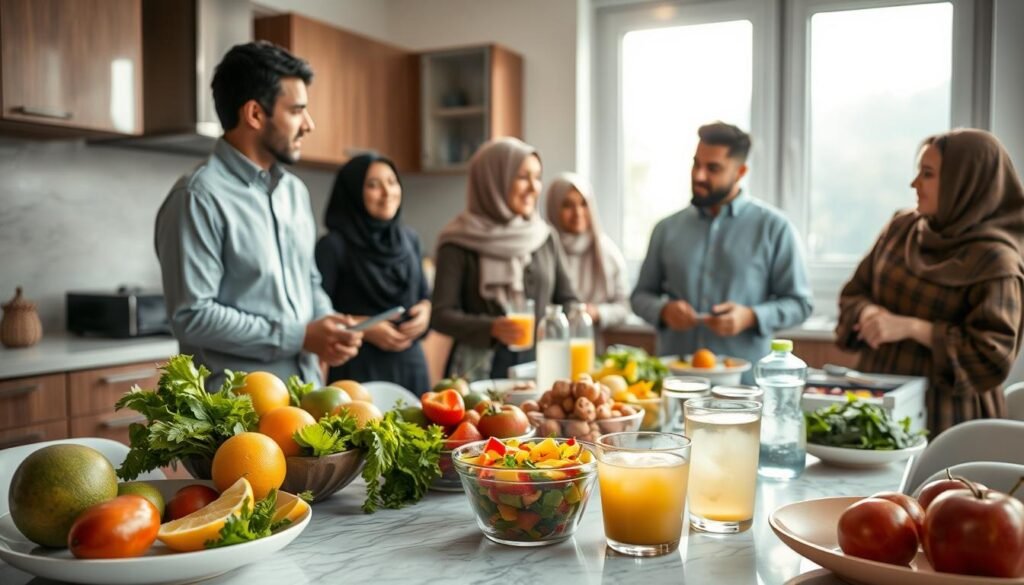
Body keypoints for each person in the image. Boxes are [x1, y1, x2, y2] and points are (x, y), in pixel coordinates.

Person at [155, 41, 362, 389]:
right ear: (254, 114)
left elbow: (309, 282)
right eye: (297, 111)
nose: (308, 124)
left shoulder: (294, 191)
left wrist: (328, 324)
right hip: (235, 412)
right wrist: (298, 336)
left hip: (304, 394)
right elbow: (192, 316)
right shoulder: (197, 197)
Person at [835, 129, 1024, 434]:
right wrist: (867, 313)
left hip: (950, 418)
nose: (914, 183)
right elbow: (854, 293)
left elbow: (992, 357)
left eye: (928, 174)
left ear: (964, 182)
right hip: (876, 400)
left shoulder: (996, 261)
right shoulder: (901, 227)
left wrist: (912, 328)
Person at [631, 122, 813, 381]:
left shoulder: (774, 228)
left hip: (745, 389)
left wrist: (751, 316)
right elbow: (640, 296)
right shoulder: (666, 229)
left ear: (740, 172)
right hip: (675, 385)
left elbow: (800, 303)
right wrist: (663, 310)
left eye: (713, 168)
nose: (699, 176)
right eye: (696, 164)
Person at [431, 137, 578, 380]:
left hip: (538, 368)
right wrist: (492, 327)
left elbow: (569, 300)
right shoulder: (457, 241)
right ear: (493, 180)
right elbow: (441, 315)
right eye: (522, 177)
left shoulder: (544, 236)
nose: (534, 187)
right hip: (474, 372)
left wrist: (554, 326)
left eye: (537, 177)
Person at [315, 154, 431, 394]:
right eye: (373, 185)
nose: (387, 192)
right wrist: (365, 328)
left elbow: (423, 296)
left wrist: (426, 312)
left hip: (411, 365)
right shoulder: (333, 246)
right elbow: (317, 315)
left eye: (391, 181)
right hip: (358, 369)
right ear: (354, 192)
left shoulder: (410, 239)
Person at [544, 172, 631, 329]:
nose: (578, 212)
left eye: (583, 204)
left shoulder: (606, 252)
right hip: (551, 342)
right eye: (567, 205)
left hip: (592, 345)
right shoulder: (544, 250)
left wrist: (597, 312)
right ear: (554, 207)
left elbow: (624, 307)